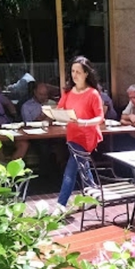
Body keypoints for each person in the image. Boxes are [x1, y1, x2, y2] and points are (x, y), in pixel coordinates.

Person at [55, 56, 105, 211]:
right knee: (82, 166)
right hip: (72, 135)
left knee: (71, 169)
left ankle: (61, 204)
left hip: (86, 136)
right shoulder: (68, 92)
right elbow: (60, 109)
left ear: (86, 74)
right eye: (72, 71)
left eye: (78, 72)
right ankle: (94, 195)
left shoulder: (93, 94)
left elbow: (100, 117)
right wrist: (54, 114)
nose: (74, 75)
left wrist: (84, 122)